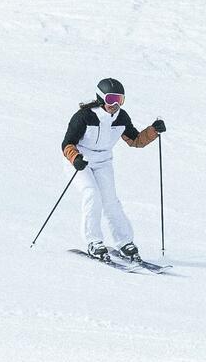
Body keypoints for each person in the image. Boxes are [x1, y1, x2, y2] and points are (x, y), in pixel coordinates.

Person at [60, 78, 164, 262]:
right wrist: (75, 158)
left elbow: (136, 140)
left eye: (119, 99)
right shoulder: (84, 116)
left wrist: (153, 131)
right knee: (92, 195)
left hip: (103, 162)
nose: (114, 104)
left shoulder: (121, 117)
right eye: (110, 99)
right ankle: (94, 242)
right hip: (80, 162)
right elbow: (67, 143)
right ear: (100, 98)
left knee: (110, 201)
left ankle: (124, 242)